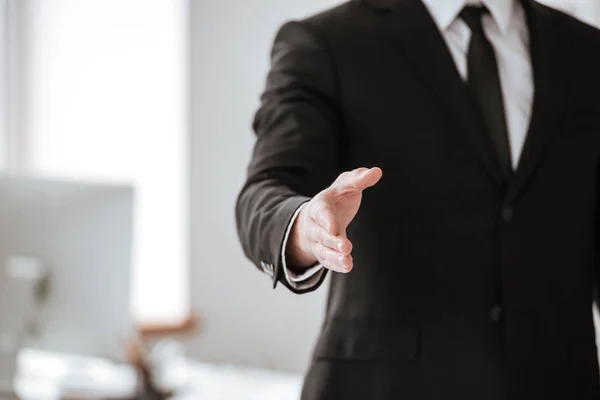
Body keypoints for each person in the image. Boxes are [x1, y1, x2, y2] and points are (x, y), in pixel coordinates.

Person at [235, 0, 600, 398]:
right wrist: (305, 226)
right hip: (386, 385)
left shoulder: (585, 50)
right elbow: (266, 189)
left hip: (559, 382)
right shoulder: (327, 42)